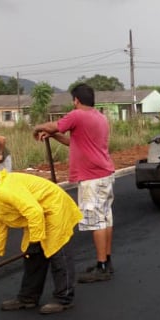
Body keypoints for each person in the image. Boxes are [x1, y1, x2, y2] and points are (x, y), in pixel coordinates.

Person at [33, 83, 115, 283]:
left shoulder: (77, 115)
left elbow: (54, 125)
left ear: (76, 100)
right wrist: (53, 135)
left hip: (91, 177)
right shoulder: (99, 117)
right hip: (104, 174)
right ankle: (105, 261)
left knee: (96, 221)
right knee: (105, 218)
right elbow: (74, 142)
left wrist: (39, 127)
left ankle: (102, 266)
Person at [0, 170, 82, 314]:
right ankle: (28, 298)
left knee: (57, 251)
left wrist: (35, 242)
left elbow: (34, 212)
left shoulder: (4, 191)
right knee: (31, 255)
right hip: (37, 213)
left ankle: (63, 298)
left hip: (53, 208)